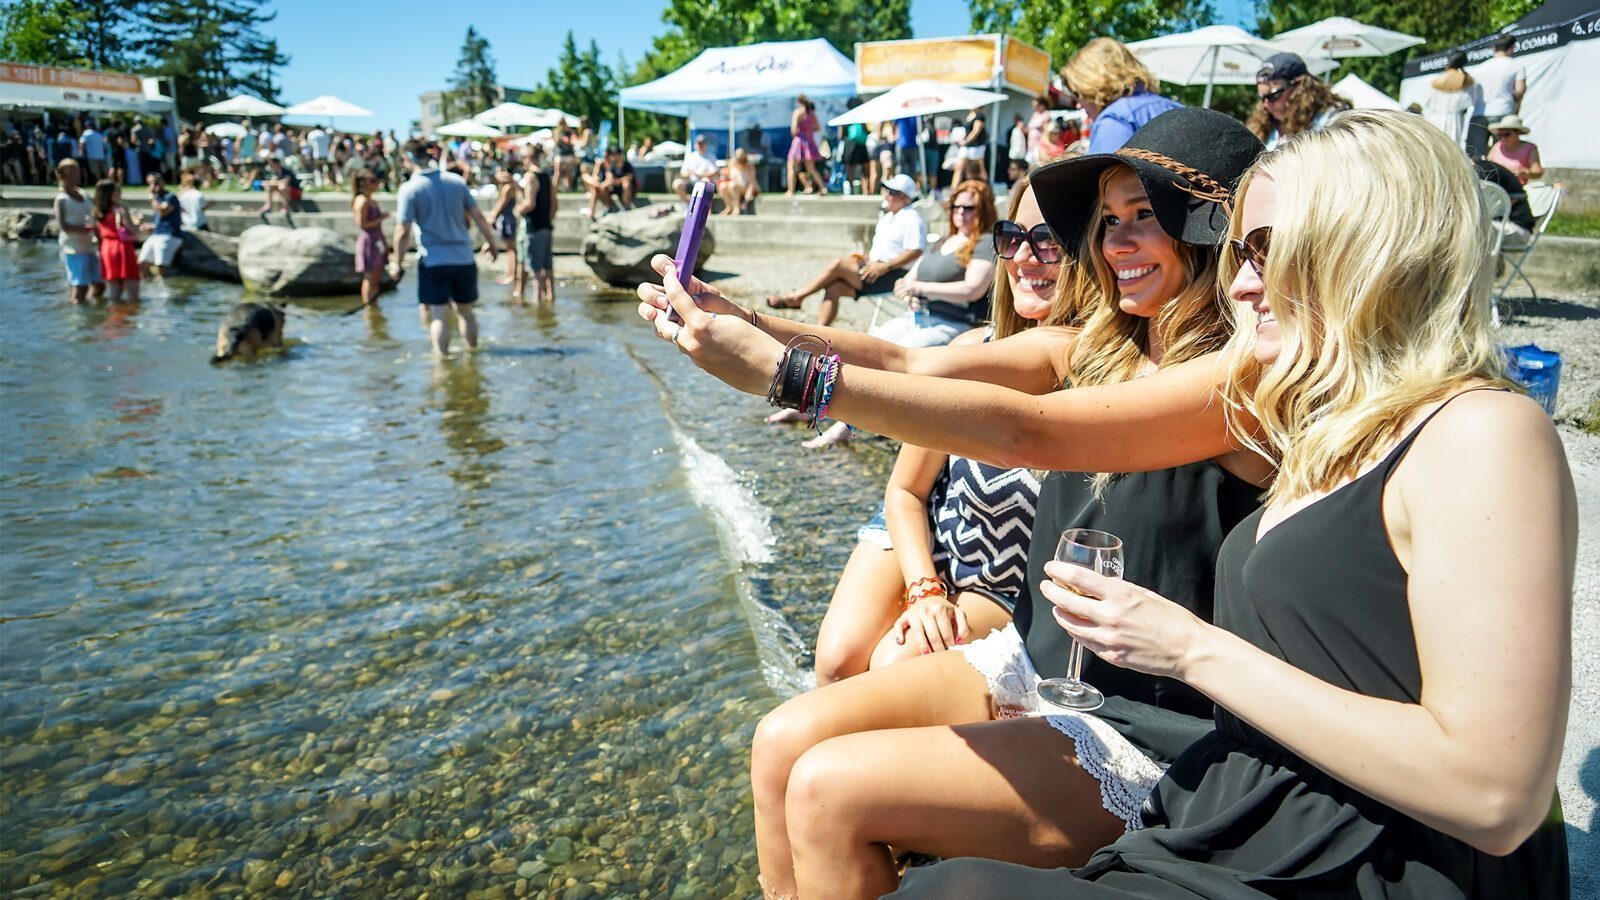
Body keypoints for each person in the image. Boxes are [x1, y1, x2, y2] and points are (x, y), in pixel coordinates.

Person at [895, 109, 1572, 900]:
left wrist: (1188, 649)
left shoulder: (1485, 432)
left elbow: (1495, 795)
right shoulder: (1327, 425)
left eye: (1265, 252)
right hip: (1253, 806)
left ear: (1372, 247)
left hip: (1374, 860)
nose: (1241, 282)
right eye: (1239, 250)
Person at [637, 108, 1272, 899]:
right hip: (1039, 665)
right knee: (781, 742)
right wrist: (742, 320)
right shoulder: (1100, 349)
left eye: (1146, 216)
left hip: (1147, 723)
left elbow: (1024, 436)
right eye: (1108, 221)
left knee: (831, 790)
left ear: (1217, 229)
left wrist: (786, 376)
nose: (1115, 243)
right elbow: (910, 358)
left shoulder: (1241, 382)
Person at [813, 175, 1081, 684]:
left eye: (1048, 238)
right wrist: (925, 589)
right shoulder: (968, 352)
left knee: (891, 666)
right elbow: (906, 491)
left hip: (1005, 577)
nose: (1026, 256)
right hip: (927, 523)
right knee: (836, 660)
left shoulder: (1108, 376)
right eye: (1013, 237)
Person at [790, 179, 1000, 449]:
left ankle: (846, 425)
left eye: (969, 208)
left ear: (983, 209)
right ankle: (815, 403)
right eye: (956, 206)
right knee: (864, 349)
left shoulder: (984, 242)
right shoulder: (945, 241)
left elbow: (972, 289)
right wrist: (910, 290)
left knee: (890, 363)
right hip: (918, 316)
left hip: (953, 323)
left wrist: (920, 287)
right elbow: (913, 274)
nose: (961, 212)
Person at [763, 173, 926, 326]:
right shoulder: (890, 217)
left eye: (891, 192)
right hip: (875, 270)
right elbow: (886, 249)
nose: (886, 195)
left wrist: (885, 266)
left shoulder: (911, 217)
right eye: (886, 190)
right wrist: (866, 257)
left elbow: (916, 251)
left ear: (904, 198)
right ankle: (818, 333)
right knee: (834, 287)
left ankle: (797, 296)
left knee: (838, 264)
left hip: (892, 275)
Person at [389, 139, 500, 355]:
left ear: (408, 159)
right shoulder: (455, 181)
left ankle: (441, 363)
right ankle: (473, 355)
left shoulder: (410, 188)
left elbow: (402, 231)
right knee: (466, 313)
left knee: (439, 315)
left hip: (434, 261)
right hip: (464, 258)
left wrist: (397, 263)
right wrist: (492, 243)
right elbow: (477, 216)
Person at [1062, 38, 1181, 154]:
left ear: (1093, 84)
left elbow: (1110, 172)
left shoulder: (1115, 119)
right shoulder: (1175, 107)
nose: (1078, 104)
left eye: (1078, 93)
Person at [1245, 52, 1350, 150]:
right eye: (1262, 98)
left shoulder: (1330, 119)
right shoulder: (1263, 128)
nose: (1266, 105)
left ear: (1300, 86)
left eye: (1274, 95)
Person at [52, 159, 104, 303]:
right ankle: (78, 318)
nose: (76, 175)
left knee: (100, 284)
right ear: (62, 176)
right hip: (73, 248)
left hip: (90, 245)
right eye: (72, 172)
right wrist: (84, 229)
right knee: (81, 287)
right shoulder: (61, 199)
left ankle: (95, 312)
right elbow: (64, 226)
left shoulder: (84, 193)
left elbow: (94, 214)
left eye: (77, 171)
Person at [1470, 35, 1526, 157]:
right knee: (1501, 155)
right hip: (1503, 112)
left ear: (1494, 49)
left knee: (1476, 155)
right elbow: (1519, 92)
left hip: (1479, 114)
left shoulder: (1479, 68)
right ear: (1512, 48)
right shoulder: (1516, 66)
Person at [515, 144, 558, 304]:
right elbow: (555, 204)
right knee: (548, 268)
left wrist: (518, 210)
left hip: (533, 228)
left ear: (528, 158)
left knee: (535, 269)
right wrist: (549, 220)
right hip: (546, 227)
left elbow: (530, 204)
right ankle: (550, 299)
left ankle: (537, 305)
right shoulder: (547, 177)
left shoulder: (531, 177)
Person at [92, 179, 140, 303]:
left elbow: (97, 234)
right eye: (118, 190)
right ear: (111, 193)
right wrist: (139, 222)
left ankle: (114, 318)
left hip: (107, 248)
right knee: (132, 292)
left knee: (114, 291)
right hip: (122, 247)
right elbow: (132, 229)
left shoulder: (97, 211)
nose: (120, 193)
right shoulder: (120, 208)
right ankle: (130, 318)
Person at [1423, 52, 1480, 151]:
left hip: (1435, 118)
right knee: (1453, 148)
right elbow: (1469, 103)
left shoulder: (1437, 79)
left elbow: (1427, 103)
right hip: (1455, 120)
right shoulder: (1467, 80)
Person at [352, 171, 389, 307]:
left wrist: (385, 243)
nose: (376, 183)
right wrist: (381, 218)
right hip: (368, 240)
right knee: (369, 277)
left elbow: (378, 226)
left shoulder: (372, 200)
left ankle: (374, 304)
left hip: (377, 239)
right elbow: (362, 224)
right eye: (372, 180)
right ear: (362, 183)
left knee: (377, 275)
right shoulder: (361, 201)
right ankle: (368, 306)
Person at [137, 172, 182, 278]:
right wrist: (151, 226)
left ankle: (164, 289)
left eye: (156, 182)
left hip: (168, 235)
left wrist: (152, 197)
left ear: (163, 182)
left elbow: (163, 211)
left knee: (161, 267)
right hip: (156, 234)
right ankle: (151, 287)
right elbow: (161, 217)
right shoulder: (157, 199)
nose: (154, 185)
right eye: (151, 183)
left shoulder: (170, 197)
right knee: (142, 264)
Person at [487, 167, 521, 285]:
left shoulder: (508, 187)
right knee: (508, 247)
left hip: (507, 219)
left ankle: (513, 274)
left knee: (510, 247)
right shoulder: (505, 187)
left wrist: (492, 215)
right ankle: (510, 272)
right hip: (506, 218)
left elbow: (501, 203)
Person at [786, 96, 826, 195]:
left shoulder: (797, 112)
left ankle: (790, 190)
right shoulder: (811, 113)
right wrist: (808, 129)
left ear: (798, 102)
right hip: (809, 141)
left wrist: (802, 129)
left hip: (799, 141)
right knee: (811, 169)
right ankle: (822, 187)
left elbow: (793, 131)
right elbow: (817, 128)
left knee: (791, 167)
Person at [1487, 114, 1543, 184]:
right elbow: (1487, 166)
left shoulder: (1530, 148)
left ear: (1517, 133)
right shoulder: (1497, 146)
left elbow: (1538, 172)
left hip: (1517, 188)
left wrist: (1525, 172)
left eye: (1507, 134)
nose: (1503, 138)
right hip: (1497, 186)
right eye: (1500, 135)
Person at [586, 145, 636, 215]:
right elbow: (609, 178)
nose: (615, 157)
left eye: (617, 155)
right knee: (602, 185)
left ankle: (626, 207)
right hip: (615, 187)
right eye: (614, 155)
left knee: (626, 184)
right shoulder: (612, 166)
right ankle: (607, 207)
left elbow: (628, 178)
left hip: (628, 189)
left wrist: (616, 181)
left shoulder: (627, 165)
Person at [674, 135, 719, 201]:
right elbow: (683, 173)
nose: (700, 146)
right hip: (692, 182)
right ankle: (690, 203)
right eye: (699, 144)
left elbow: (714, 172)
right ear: (695, 145)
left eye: (702, 144)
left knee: (705, 181)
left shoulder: (711, 156)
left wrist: (700, 175)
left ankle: (707, 208)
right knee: (677, 183)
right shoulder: (690, 157)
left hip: (706, 183)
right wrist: (690, 174)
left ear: (705, 145)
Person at [952, 107, 988, 185]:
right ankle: (953, 190)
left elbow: (976, 130)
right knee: (959, 168)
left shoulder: (980, 116)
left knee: (979, 168)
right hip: (966, 147)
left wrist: (966, 141)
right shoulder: (970, 115)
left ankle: (986, 187)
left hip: (976, 146)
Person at [719, 148, 759, 216]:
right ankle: (728, 207)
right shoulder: (732, 164)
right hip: (733, 186)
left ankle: (736, 208)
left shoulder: (749, 166)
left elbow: (751, 184)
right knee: (722, 186)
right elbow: (728, 177)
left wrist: (745, 202)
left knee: (733, 185)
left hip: (745, 188)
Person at [894, 116, 921, 192]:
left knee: (912, 169)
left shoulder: (917, 116)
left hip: (912, 146)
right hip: (901, 145)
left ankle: (910, 189)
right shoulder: (901, 115)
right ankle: (898, 188)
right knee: (901, 168)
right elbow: (893, 126)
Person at [1026, 96, 1052, 165]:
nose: (1035, 108)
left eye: (1036, 106)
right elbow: (1029, 128)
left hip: (1039, 146)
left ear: (1042, 105)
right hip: (1031, 145)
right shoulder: (1035, 114)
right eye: (1034, 106)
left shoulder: (1046, 114)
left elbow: (1046, 130)